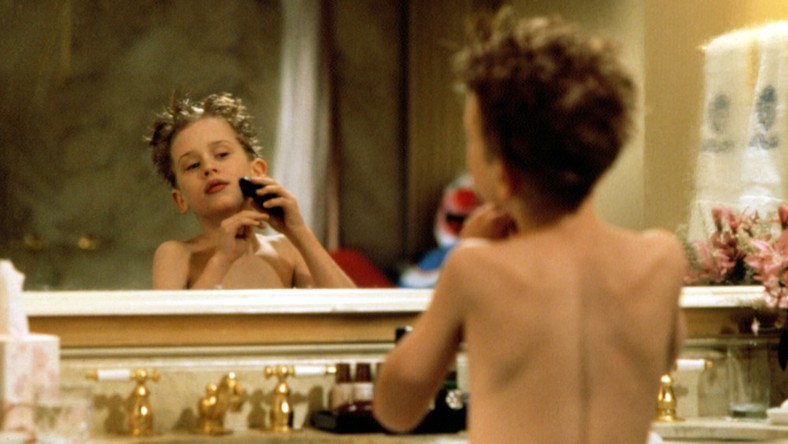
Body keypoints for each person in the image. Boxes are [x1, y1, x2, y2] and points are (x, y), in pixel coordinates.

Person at [373, 8, 686, 444]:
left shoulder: (474, 270)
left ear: (504, 173)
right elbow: (662, 357)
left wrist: (467, 260)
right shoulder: (661, 259)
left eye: (472, 138)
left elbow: (395, 408)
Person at [146, 93, 355, 289]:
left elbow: (354, 309)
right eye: (192, 165)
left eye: (221, 154)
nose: (208, 167)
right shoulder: (177, 255)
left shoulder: (286, 252)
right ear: (180, 199)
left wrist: (300, 233)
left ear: (257, 171)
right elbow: (173, 318)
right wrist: (221, 260)